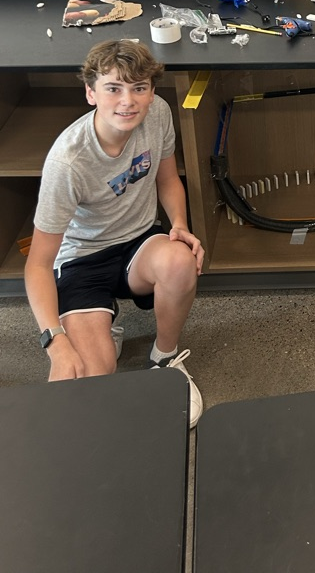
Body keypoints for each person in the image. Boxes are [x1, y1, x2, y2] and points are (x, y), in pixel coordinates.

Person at [24, 40, 204, 426]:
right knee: (88, 380)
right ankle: (102, 322)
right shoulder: (67, 162)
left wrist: (179, 226)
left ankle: (165, 358)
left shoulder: (158, 113)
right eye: (114, 88)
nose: (129, 101)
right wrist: (56, 343)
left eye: (139, 88)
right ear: (91, 93)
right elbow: (37, 267)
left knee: (180, 260)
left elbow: (169, 179)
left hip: (139, 244)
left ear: (152, 91)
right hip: (83, 260)